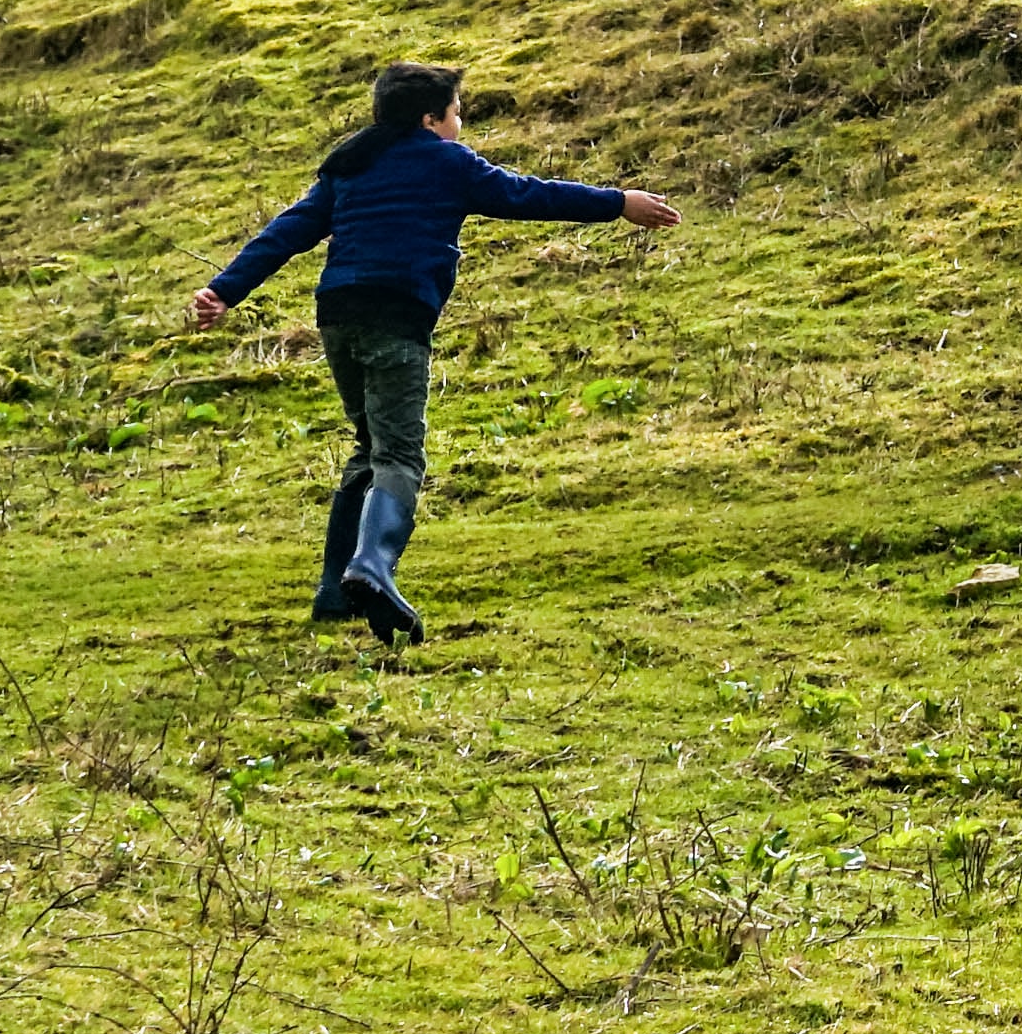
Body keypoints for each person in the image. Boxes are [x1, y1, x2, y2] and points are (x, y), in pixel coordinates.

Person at [182, 63, 676, 644]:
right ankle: (371, 567)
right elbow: (526, 195)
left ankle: (334, 593)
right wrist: (617, 202)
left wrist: (225, 289)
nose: (459, 123)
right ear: (429, 118)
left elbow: (287, 231)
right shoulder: (446, 162)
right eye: (456, 113)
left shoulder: (350, 164)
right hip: (397, 315)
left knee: (369, 450)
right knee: (399, 457)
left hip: (338, 316)